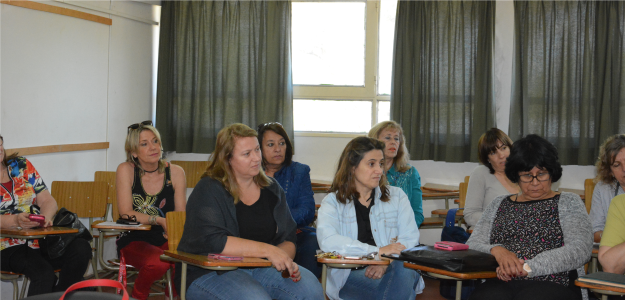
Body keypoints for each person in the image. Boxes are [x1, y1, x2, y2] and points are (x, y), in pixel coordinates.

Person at [175, 123, 323, 300]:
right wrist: (268, 251)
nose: (256, 158)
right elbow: (213, 242)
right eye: (247, 154)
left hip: (262, 269)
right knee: (255, 298)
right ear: (227, 159)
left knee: (311, 288)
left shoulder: (272, 188)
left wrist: (283, 260)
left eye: (257, 150)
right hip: (210, 271)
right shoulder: (209, 188)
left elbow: (288, 237)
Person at [467, 134, 592, 300]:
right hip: (500, 281)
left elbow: (580, 249)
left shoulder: (569, 202)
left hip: (554, 282)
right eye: (526, 175)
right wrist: (497, 250)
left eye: (541, 174)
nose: (534, 183)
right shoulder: (498, 204)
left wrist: (528, 267)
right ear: (515, 175)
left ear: (552, 173)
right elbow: (472, 245)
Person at [317, 136, 423, 300]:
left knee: (404, 268)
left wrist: (386, 262)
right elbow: (329, 241)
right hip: (352, 276)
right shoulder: (332, 202)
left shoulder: (397, 196)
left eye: (381, 164)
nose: (379, 171)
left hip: (396, 268)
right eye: (371, 164)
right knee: (404, 291)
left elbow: (410, 238)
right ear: (352, 167)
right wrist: (376, 254)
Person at [0, 134, 91, 296]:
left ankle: (59, 295)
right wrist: (15, 220)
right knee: (44, 275)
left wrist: (46, 217)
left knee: (81, 248)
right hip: (6, 247)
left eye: (0, 144)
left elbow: (47, 200)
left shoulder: (21, 165)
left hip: (39, 240)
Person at [115, 120, 187, 300]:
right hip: (133, 238)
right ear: (133, 152)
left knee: (184, 259)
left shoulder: (176, 172)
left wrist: (173, 232)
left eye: (155, 141)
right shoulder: (126, 170)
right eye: (144, 144)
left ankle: (174, 296)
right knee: (159, 262)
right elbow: (125, 213)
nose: (153, 147)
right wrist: (160, 220)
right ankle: (138, 295)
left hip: (166, 238)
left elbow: (179, 216)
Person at [256, 122, 321, 278]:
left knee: (314, 242)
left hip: (295, 233)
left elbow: (307, 211)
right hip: (258, 238)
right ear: (258, 148)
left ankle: (303, 287)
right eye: (271, 144)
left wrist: (279, 223)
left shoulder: (299, 171)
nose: (277, 149)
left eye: (282, 143)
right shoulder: (251, 171)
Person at [368, 121, 424, 226]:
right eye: (388, 138)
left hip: (403, 234)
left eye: (396, 138)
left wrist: (404, 233)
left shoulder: (410, 173)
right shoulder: (364, 171)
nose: (393, 142)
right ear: (374, 142)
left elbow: (417, 214)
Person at [464, 128, 519, 227]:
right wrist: (501, 220)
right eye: (493, 153)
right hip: (491, 236)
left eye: (503, 148)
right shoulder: (481, 173)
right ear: (487, 159)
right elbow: (470, 215)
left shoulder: (525, 172)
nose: (501, 155)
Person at [590, 134, 625, 242]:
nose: (624, 169)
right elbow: (595, 232)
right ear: (610, 171)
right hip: (615, 250)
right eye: (616, 165)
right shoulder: (602, 189)